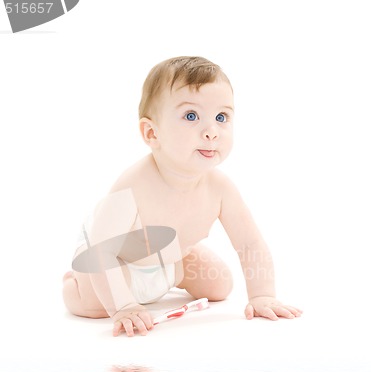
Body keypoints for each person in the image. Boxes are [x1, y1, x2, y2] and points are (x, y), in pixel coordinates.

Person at [63, 56, 302, 337]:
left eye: (221, 117)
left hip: (169, 262)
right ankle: (74, 282)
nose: (211, 131)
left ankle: (179, 263)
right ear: (152, 133)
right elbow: (102, 250)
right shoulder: (133, 185)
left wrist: (262, 295)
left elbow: (249, 243)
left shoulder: (220, 188)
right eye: (191, 116)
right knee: (93, 304)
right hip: (112, 262)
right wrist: (124, 306)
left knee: (220, 286)